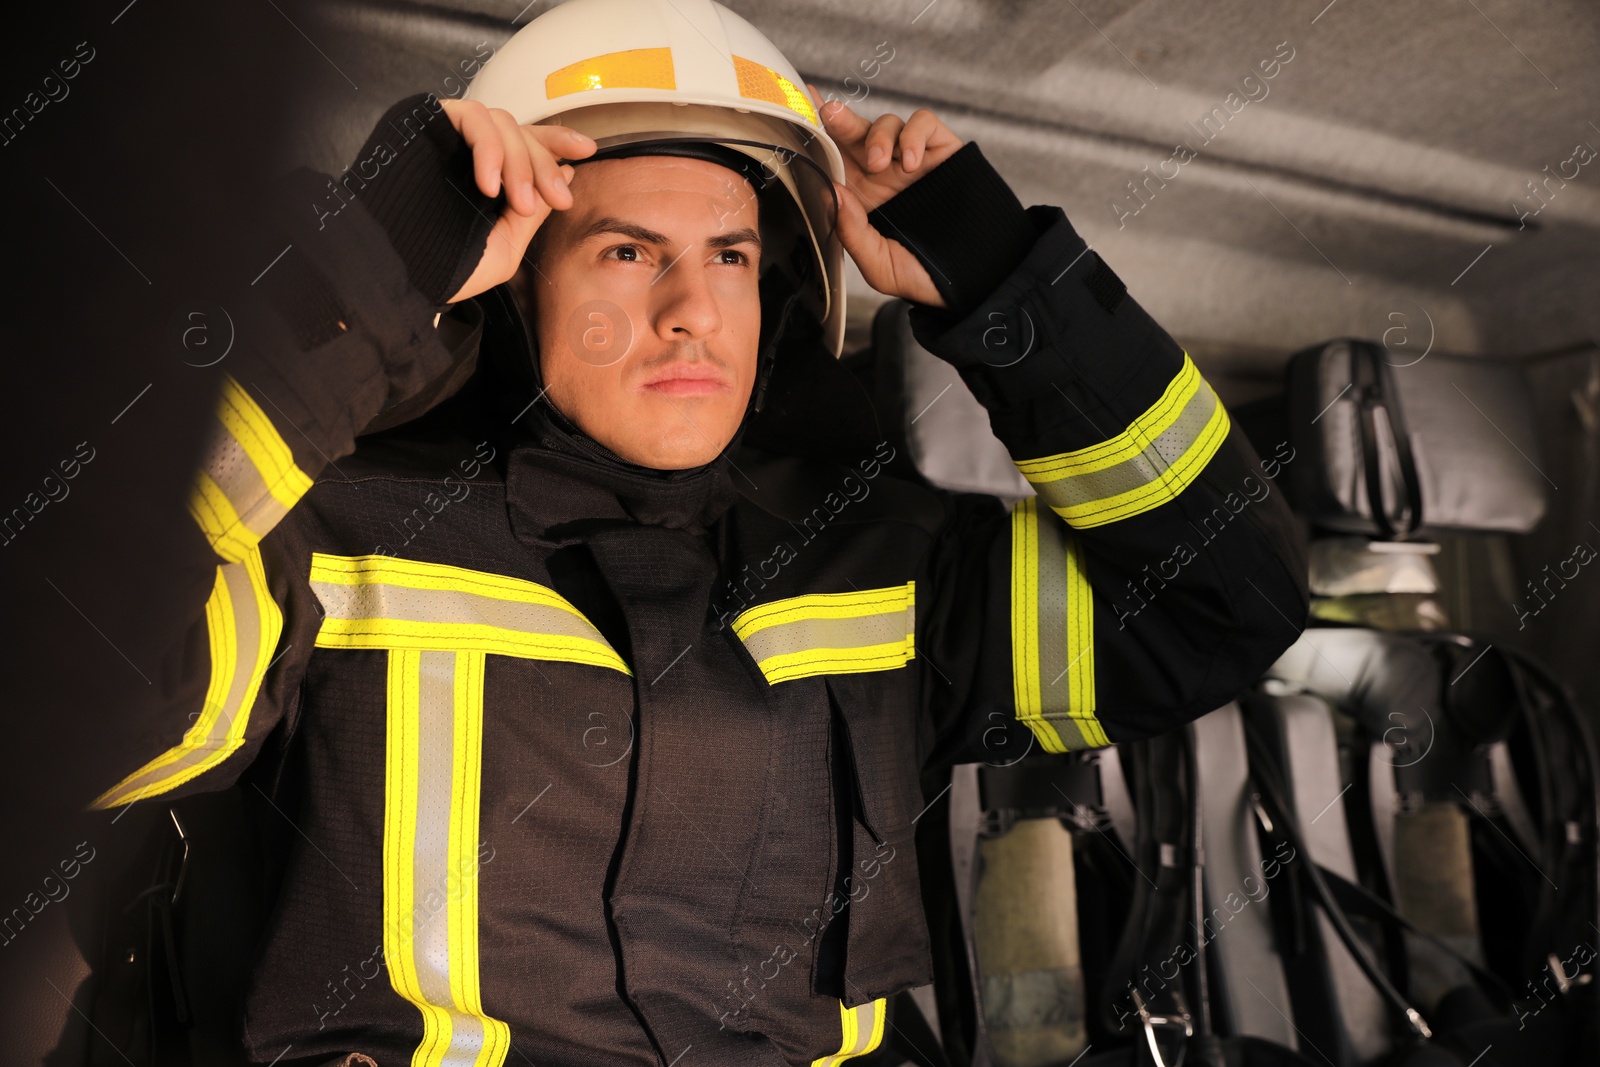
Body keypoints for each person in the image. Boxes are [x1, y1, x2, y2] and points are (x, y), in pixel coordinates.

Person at [82, 0, 1308, 1063]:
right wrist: (354, 290)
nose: (688, 313)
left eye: (728, 254)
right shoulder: (324, 537)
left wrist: (1013, 297)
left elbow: (1226, 605)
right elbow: (63, 695)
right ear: (512, 292)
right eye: (627, 251)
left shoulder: (883, 562)